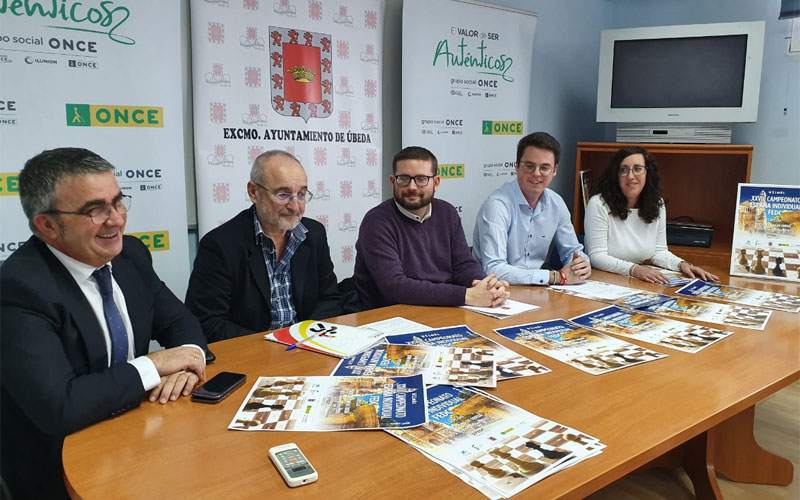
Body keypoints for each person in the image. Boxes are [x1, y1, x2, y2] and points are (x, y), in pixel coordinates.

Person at [0, 148, 208, 500]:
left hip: (135, 434)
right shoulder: (18, 289)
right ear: (47, 225)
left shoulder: (130, 254)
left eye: (118, 202)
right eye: (95, 210)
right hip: (58, 463)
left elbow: (181, 321)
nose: (115, 220)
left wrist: (188, 361)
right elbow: (61, 407)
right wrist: (154, 365)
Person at [186, 150, 342, 342]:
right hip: (253, 353)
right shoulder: (220, 245)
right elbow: (208, 323)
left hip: (306, 348)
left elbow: (330, 299)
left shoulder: (314, 234)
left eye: (301, 194)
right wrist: (272, 346)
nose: (295, 206)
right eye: (283, 194)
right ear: (254, 192)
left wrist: (305, 339)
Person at [354, 146, 509, 310]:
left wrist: (486, 286)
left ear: (436, 183)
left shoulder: (447, 212)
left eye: (421, 179)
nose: (412, 187)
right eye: (404, 178)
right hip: (392, 313)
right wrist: (466, 295)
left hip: (443, 307)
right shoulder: (377, 221)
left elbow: (463, 265)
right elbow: (395, 286)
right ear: (393, 182)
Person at [583, 146, 718, 283]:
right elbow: (597, 256)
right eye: (623, 170)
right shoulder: (598, 204)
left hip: (636, 280)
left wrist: (683, 265)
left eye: (637, 169)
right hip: (604, 279)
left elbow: (658, 251)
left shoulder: (656, 203)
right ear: (615, 175)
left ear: (648, 173)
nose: (630, 176)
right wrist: (635, 270)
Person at [473, 132, 591, 286]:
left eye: (544, 168)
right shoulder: (497, 206)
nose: (536, 174)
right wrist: (556, 277)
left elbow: (572, 251)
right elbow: (494, 269)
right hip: (495, 290)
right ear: (516, 166)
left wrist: (581, 265)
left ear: (554, 170)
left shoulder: (556, 203)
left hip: (536, 289)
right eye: (529, 166)